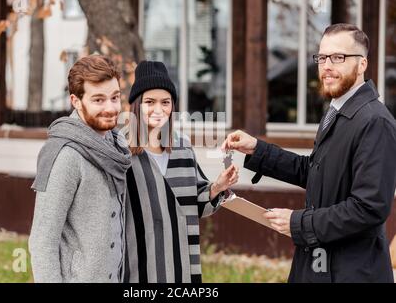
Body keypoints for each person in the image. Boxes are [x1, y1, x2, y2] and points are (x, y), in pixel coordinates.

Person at [223, 23, 396, 283]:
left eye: (338, 57)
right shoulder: (336, 111)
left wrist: (298, 223)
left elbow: (369, 208)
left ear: (362, 64)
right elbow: (315, 171)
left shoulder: (374, 122)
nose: (327, 65)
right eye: (322, 57)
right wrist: (259, 150)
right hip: (319, 264)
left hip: (352, 272)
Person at [123, 61, 239, 283]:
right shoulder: (120, 151)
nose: (159, 109)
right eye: (150, 102)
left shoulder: (182, 148)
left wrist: (217, 187)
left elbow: (196, 205)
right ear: (137, 105)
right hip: (139, 270)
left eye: (165, 102)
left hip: (182, 270)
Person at [29, 55, 131, 282]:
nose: (111, 107)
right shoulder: (65, 155)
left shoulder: (116, 145)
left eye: (115, 97)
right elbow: (42, 241)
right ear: (76, 101)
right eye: (98, 100)